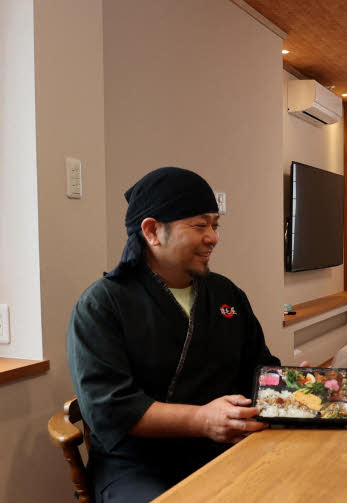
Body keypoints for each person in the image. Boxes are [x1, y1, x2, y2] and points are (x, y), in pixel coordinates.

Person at [67, 167, 284, 502]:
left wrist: (323, 388)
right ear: (152, 231)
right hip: (136, 464)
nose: (213, 237)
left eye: (215, 224)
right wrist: (201, 419)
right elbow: (109, 407)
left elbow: (261, 371)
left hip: (222, 447)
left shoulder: (226, 294)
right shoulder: (103, 303)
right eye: (200, 225)